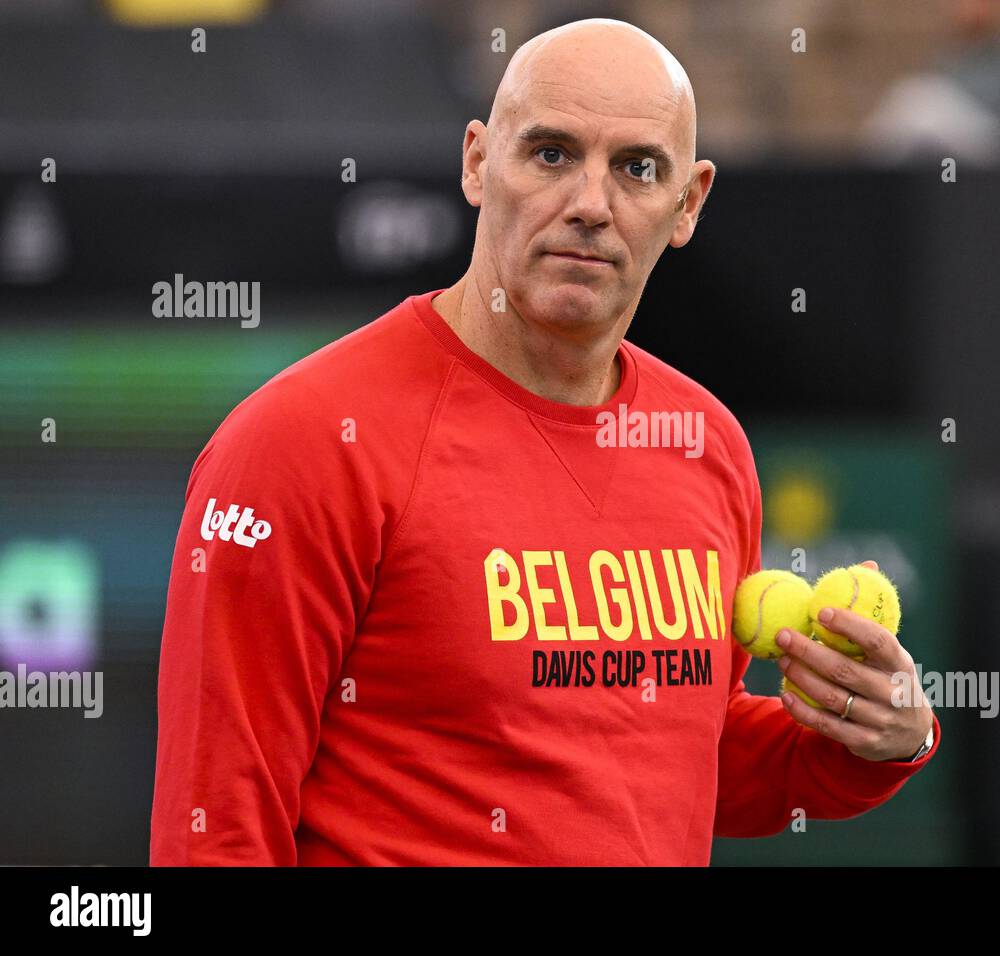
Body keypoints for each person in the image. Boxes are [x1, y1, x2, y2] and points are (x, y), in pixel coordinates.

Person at [149, 17, 939, 866]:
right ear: (478, 163)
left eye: (637, 169)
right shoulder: (301, 441)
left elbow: (672, 758)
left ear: (689, 203)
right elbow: (217, 821)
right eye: (553, 154)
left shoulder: (705, 443)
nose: (591, 206)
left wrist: (871, 737)